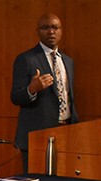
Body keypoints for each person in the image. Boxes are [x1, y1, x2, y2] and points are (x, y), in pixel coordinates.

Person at [11, 13, 79, 171]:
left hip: (67, 133)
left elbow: (68, 97)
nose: (51, 31)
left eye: (55, 27)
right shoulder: (26, 59)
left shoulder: (68, 61)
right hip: (38, 136)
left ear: (61, 31)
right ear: (37, 32)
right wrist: (32, 89)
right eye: (45, 27)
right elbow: (15, 97)